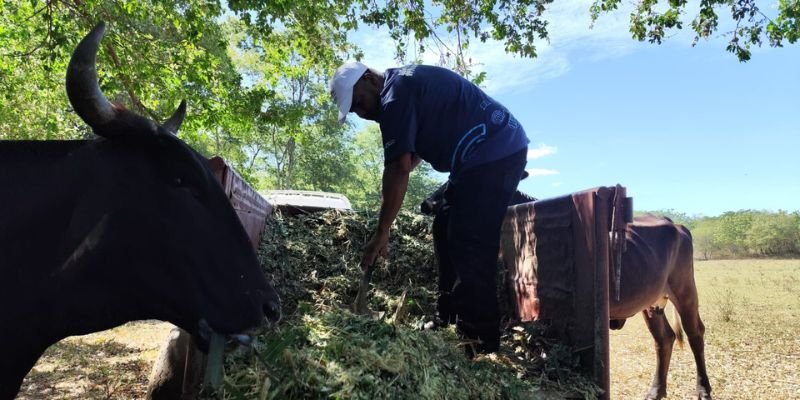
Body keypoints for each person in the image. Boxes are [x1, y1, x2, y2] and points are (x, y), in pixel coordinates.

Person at [329, 62, 529, 357]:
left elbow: (398, 168)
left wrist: (382, 231)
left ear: (370, 79)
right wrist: (406, 160)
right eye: (356, 111)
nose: (364, 113)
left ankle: (479, 338)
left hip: (496, 148)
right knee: (443, 223)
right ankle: (448, 316)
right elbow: (411, 154)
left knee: (469, 238)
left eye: (360, 102)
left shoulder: (395, 95)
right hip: (476, 159)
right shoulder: (402, 87)